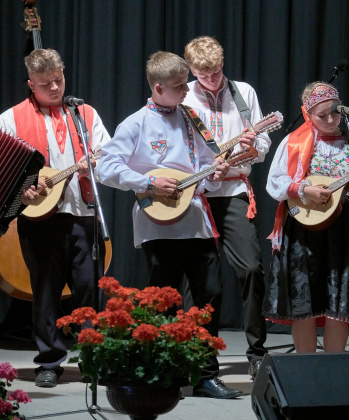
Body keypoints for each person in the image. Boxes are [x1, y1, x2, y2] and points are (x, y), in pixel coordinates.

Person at [97, 51, 239, 399]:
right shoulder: (136, 123)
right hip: (157, 224)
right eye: (178, 87)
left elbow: (206, 165)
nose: (186, 92)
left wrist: (215, 172)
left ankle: (206, 375)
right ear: (158, 88)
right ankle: (169, 372)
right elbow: (106, 168)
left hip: (195, 220)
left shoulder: (191, 118)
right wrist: (147, 183)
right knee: (166, 300)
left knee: (210, 295)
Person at [0, 48, 111, 388]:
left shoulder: (85, 113)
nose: (54, 88)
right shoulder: (10, 118)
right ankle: (49, 360)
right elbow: (6, 171)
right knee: (44, 292)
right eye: (45, 83)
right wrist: (24, 194)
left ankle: (93, 360)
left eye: (59, 80)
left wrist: (97, 163)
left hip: (83, 213)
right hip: (38, 220)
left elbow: (108, 158)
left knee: (88, 290)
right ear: (30, 83)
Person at [265, 82, 349, 353]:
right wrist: (304, 189)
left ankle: (333, 370)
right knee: (304, 300)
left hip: (345, 229)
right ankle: (308, 368)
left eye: (335, 113)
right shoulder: (294, 141)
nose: (330, 119)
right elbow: (274, 183)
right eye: (322, 115)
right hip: (303, 230)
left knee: (339, 301)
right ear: (308, 113)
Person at [183, 36, 269, 380]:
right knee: (203, 283)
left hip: (233, 189)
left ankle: (257, 352)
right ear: (192, 70)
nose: (213, 79)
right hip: (197, 193)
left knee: (251, 268)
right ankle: (201, 359)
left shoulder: (243, 92)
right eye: (205, 74)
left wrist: (250, 147)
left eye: (217, 71)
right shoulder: (184, 95)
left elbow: (263, 143)